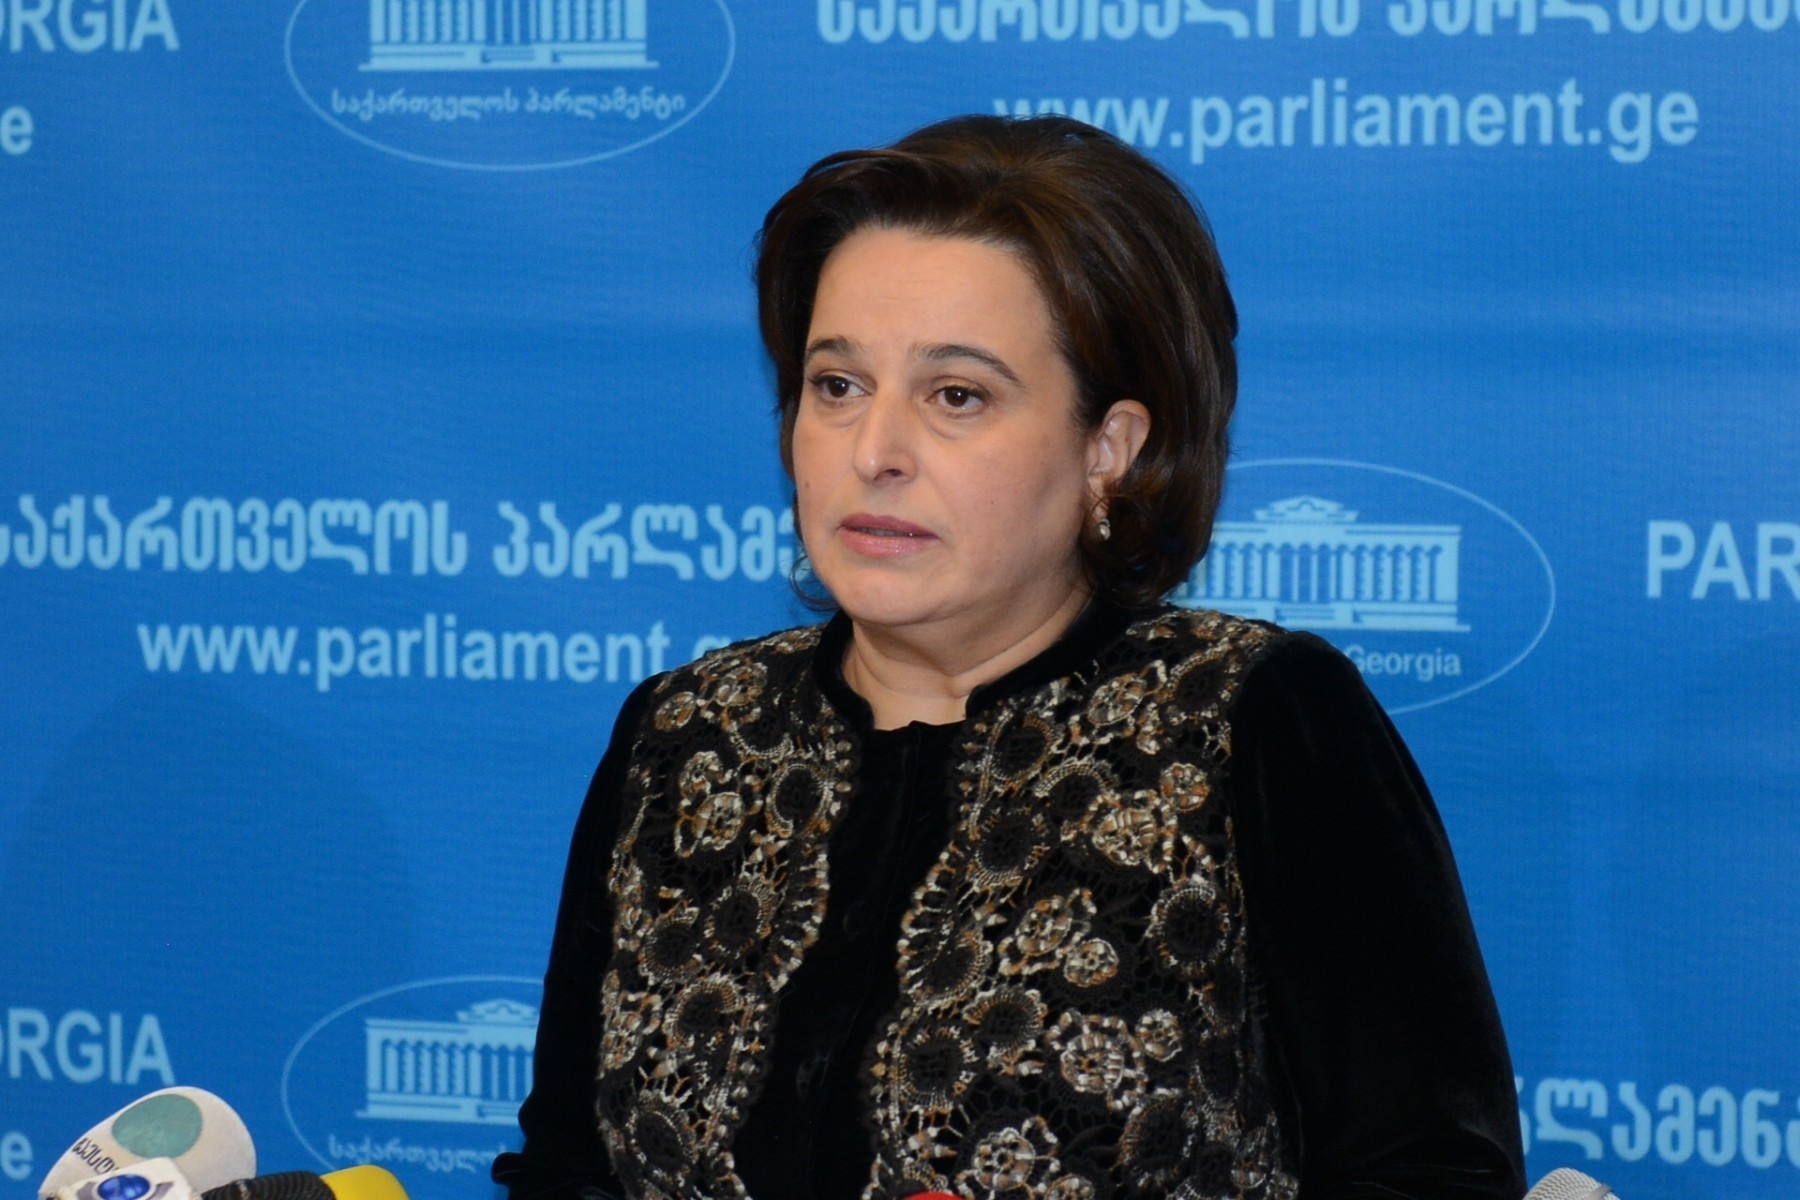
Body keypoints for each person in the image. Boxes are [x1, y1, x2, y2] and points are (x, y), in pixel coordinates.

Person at [492, 114, 1527, 1200]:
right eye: (837, 385)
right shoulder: (686, 731)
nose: (874, 453)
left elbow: (1434, 1175)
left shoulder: (1252, 719)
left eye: (957, 396)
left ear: (1108, 449)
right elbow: (571, 1167)